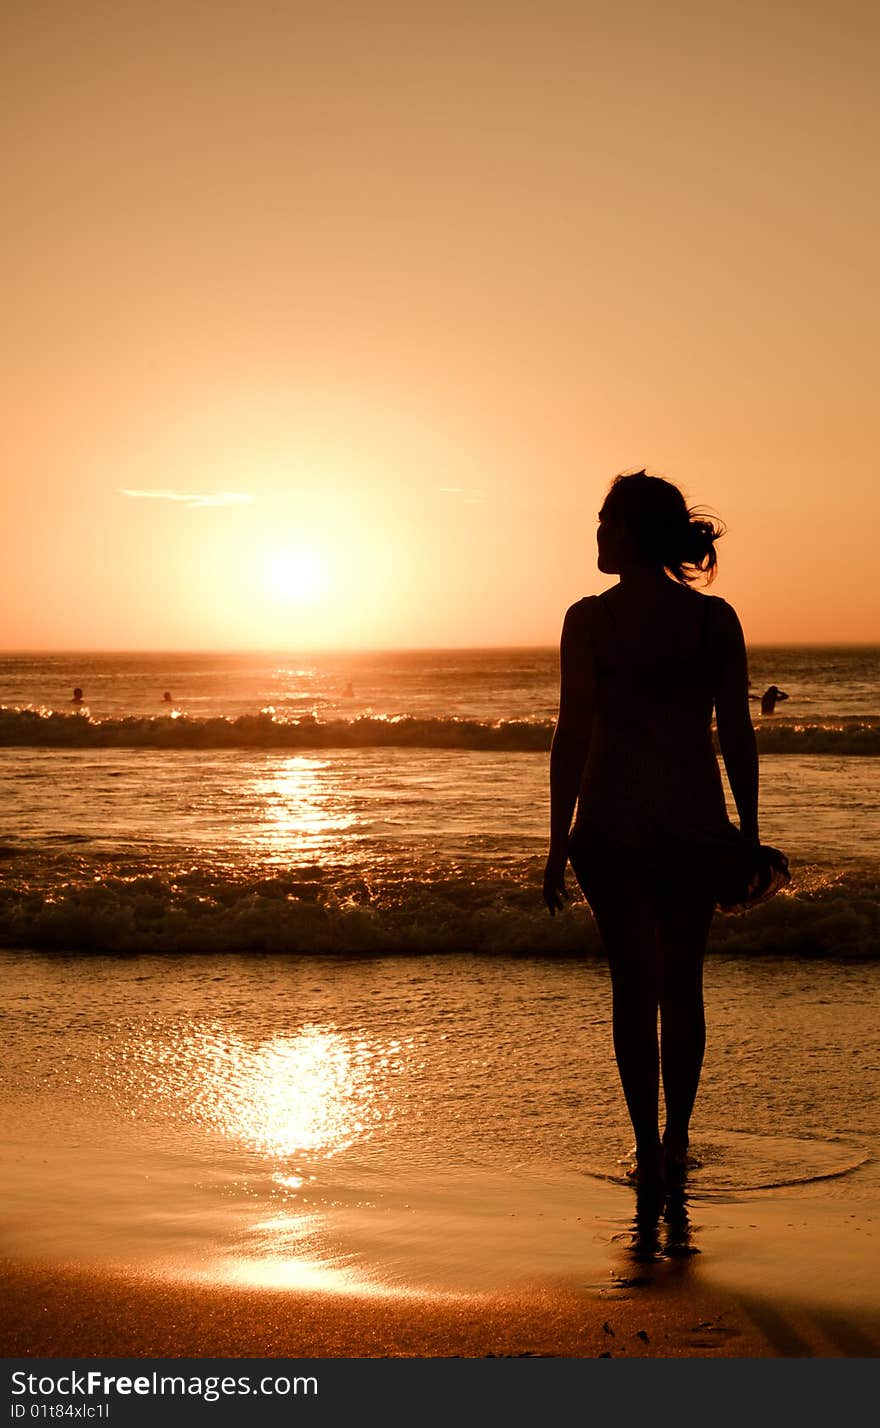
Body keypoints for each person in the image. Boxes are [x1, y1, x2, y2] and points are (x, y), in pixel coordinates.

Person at [543, 471, 762, 1192]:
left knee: (634, 992)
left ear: (632, 532)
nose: (598, 534)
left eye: (606, 521)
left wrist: (556, 841)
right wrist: (748, 832)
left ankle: (646, 1147)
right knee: (684, 988)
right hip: (694, 823)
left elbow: (572, 736)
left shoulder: (591, 620)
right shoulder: (713, 619)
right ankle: (675, 1141)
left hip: (612, 826)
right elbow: (735, 733)